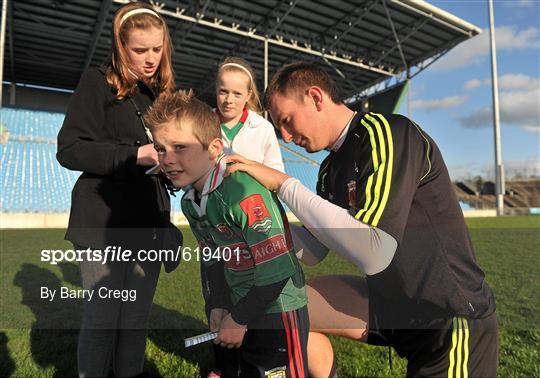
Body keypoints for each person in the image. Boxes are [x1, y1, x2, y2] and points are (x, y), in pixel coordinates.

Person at [226, 62, 498, 377]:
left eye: (286, 121)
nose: (285, 137)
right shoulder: (330, 170)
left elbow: (375, 252)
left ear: (316, 97)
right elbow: (314, 250)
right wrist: (252, 232)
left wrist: (284, 184)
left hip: (446, 317)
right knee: (290, 305)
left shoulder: (387, 133)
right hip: (392, 308)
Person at [144, 89, 309, 378]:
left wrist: (240, 318)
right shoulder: (191, 202)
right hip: (238, 305)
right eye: (160, 148)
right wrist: (217, 304)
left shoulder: (243, 191)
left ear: (214, 148)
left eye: (180, 147)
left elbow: (278, 269)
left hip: (277, 310)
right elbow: (211, 260)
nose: (167, 159)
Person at [56, 3, 178, 377]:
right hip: (103, 224)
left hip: (148, 225)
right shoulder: (98, 81)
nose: (150, 58)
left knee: (135, 321)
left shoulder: (158, 96)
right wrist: (133, 155)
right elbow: (69, 148)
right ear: (121, 45)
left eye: (157, 49)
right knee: (103, 319)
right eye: (140, 50)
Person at [215, 57, 284, 172]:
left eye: (237, 94)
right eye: (223, 92)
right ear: (216, 89)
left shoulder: (263, 128)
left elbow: (276, 173)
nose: (229, 100)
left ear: (248, 95)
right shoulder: (201, 123)